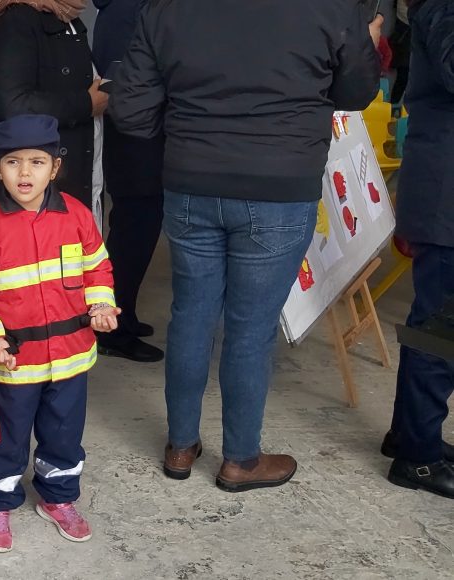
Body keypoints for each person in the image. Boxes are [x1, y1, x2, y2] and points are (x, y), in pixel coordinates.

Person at [111, 0, 381, 490]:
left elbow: (130, 109)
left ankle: (180, 446)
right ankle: (240, 460)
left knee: (190, 315)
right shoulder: (332, 6)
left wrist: (187, 133)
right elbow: (358, 91)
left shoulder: (165, 7)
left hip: (191, 180)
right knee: (251, 329)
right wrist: (368, 39)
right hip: (279, 184)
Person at [0, 114, 118, 553]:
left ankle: (58, 498)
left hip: (72, 356)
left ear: (55, 167)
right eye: (12, 162)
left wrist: (102, 304)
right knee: (7, 437)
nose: (25, 172)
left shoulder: (77, 215)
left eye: (37, 162)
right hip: (16, 362)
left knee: (63, 435)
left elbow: (97, 268)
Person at [383, 0, 454, 500]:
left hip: (443, 191)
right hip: (446, 194)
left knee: (435, 324)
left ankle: (411, 434)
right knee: (440, 329)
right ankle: (418, 460)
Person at [0, 0, 105, 215]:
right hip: (35, 186)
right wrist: (86, 103)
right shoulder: (17, 20)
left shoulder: (67, 18)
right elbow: (15, 104)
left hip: (80, 163)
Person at [89, 0, 164, 363]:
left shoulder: (123, 8)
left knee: (135, 228)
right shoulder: (127, 10)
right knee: (133, 232)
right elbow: (121, 80)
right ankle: (112, 330)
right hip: (137, 139)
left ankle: (124, 315)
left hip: (138, 137)